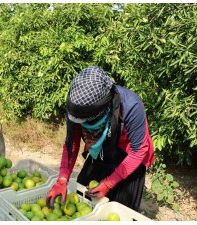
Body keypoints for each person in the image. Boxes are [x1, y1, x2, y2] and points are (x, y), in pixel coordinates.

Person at [46, 66, 155, 212]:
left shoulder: (130, 106)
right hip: (101, 151)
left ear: (102, 109)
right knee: (82, 198)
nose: (82, 124)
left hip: (128, 157)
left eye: (86, 121)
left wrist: (109, 183)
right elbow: (71, 143)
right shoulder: (77, 106)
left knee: (118, 210)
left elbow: (139, 151)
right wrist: (62, 179)